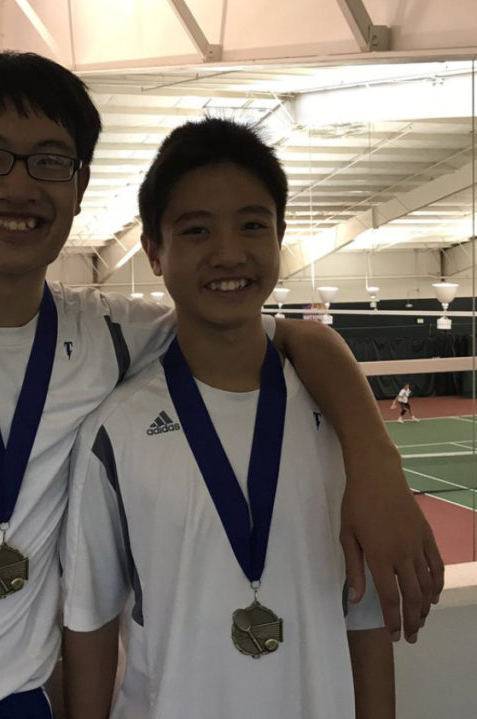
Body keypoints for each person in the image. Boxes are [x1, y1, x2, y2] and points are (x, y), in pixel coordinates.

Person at [0, 51, 436, 719]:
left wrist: (376, 464)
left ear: (78, 187)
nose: (18, 185)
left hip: (27, 699)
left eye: (49, 161)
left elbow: (282, 330)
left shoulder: (111, 335)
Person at [62, 118, 395, 719]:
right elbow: (90, 624)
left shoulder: (338, 420)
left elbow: (363, 617)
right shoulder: (114, 433)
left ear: (280, 236)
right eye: (196, 231)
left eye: (252, 225)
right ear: (156, 254)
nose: (229, 253)